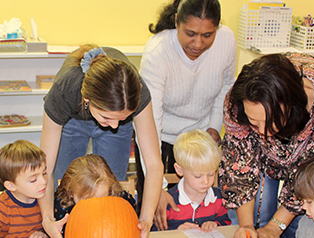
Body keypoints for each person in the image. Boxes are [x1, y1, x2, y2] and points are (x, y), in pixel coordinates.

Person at [39, 44, 163, 238]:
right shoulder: (64, 92)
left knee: (108, 187)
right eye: (107, 118)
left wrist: (146, 218)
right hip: (72, 118)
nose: (113, 126)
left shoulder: (135, 93)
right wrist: (48, 220)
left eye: (121, 119)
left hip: (110, 106)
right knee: (67, 186)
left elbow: (154, 164)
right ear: (87, 99)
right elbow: (45, 167)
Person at [220, 52, 314, 238]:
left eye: (272, 121)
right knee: (246, 223)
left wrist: (274, 227)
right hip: (259, 160)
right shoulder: (237, 101)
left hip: (306, 162)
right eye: (255, 123)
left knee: (300, 226)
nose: (264, 133)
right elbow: (239, 167)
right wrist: (246, 226)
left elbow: (313, 169)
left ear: (291, 105)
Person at [139, 0, 237, 227]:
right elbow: (150, 119)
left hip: (199, 136)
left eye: (207, 35)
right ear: (176, 22)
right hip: (158, 134)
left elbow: (225, 86)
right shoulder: (158, 51)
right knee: (157, 214)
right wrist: (160, 187)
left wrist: (214, 126)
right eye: (190, 33)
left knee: (203, 202)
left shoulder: (227, 40)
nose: (198, 43)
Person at [164, 129, 230, 231]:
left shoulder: (219, 198)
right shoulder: (168, 202)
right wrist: (176, 232)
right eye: (198, 176)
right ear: (179, 170)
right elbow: (156, 232)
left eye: (211, 174)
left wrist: (215, 225)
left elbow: (226, 224)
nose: (206, 181)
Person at [54, 154, 136, 236]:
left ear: (110, 189)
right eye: (87, 201)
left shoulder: (122, 201)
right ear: (70, 193)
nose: (95, 206)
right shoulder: (63, 208)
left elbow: (132, 226)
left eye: (102, 198)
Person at [0, 140, 48, 238]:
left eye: (44, 173)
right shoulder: (3, 210)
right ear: (11, 186)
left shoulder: (46, 201)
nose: (44, 182)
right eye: (33, 180)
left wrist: (44, 235)